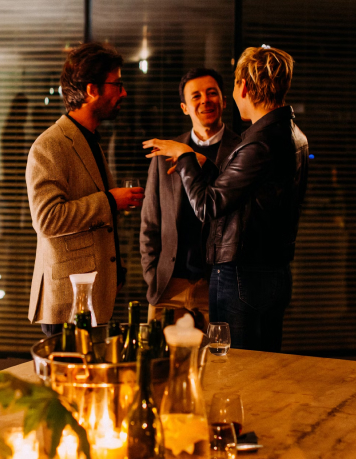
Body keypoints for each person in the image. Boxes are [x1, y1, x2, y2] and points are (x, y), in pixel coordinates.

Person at [143, 47, 308, 352]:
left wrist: (186, 157)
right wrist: (209, 166)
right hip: (268, 272)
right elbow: (253, 198)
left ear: (242, 87)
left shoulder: (257, 143)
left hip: (243, 276)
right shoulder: (292, 134)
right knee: (260, 363)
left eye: (225, 88)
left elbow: (208, 206)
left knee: (235, 368)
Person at [26, 42, 144, 337]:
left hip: (93, 295)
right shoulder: (50, 145)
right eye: (117, 84)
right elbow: (47, 219)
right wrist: (110, 201)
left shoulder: (90, 138)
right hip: (67, 302)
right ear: (92, 90)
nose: (124, 93)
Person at [140, 68, 241, 330]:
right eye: (196, 96)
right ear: (185, 108)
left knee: (218, 357)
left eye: (212, 93)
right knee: (158, 356)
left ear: (224, 101)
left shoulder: (241, 150)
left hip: (216, 285)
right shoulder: (166, 152)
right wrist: (152, 276)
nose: (205, 100)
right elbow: (150, 223)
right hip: (168, 286)